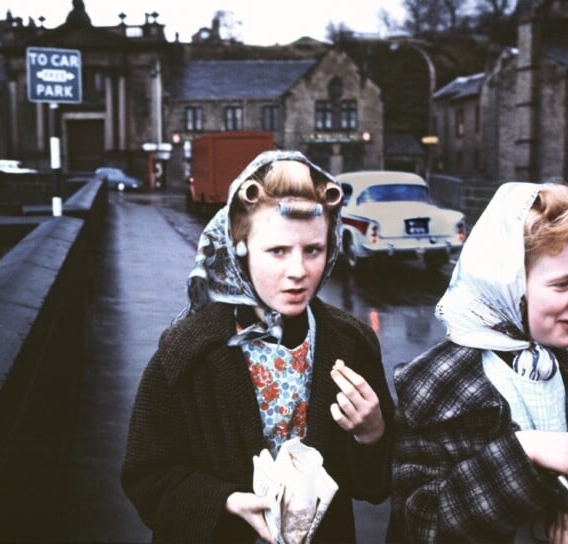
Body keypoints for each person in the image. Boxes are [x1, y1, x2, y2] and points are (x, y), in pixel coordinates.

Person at [121, 150, 394, 543]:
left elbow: (373, 487)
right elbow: (145, 476)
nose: (298, 271)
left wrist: (372, 434)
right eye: (278, 251)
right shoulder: (186, 352)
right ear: (240, 247)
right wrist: (225, 501)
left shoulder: (351, 344)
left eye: (312, 250)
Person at [388, 182, 568, 543]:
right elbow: (422, 522)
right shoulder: (436, 384)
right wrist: (523, 453)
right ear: (508, 285)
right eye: (563, 284)